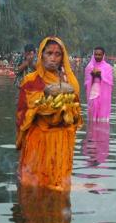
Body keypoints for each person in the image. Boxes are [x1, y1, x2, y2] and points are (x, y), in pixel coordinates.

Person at [16, 37, 82, 190]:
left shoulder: (70, 82)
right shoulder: (30, 80)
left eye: (58, 54)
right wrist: (44, 95)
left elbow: (77, 114)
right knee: (34, 188)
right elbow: (21, 114)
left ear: (62, 57)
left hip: (62, 142)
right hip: (38, 140)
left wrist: (66, 101)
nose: (53, 58)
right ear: (41, 55)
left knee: (59, 190)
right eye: (49, 53)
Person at [84, 47, 113, 121]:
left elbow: (110, 82)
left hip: (104, 92)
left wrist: (100, 74)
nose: (97, 56)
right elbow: (87, 81)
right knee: (93, 107)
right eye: (96, 54)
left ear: (103, 55)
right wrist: (92, 74)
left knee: (101, 111)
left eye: (99, 55)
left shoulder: (108, 67)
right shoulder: (89, 67)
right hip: (93, 90)